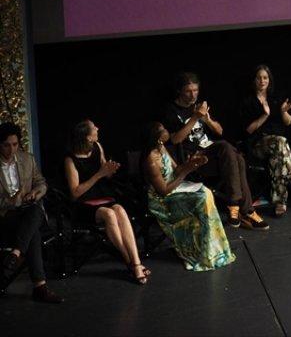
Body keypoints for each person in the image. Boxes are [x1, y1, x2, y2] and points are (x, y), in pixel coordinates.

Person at [165, 72, 268, 230]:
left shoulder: (199, 106)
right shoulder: (172, 110)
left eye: (195, 90)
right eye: (188, 91)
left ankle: (237, 208)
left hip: (213, 153)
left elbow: (219, 131)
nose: (193, 95)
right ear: (179, 91)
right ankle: (243, 208)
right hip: (193, 160)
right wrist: (194, 118)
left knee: (235, 156)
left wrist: (207, 119)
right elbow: (175, 140)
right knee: (231, 151)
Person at [142, 122, 236, 271]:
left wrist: (191, 163)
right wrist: (186, 172)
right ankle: (203, 251)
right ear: (157, 137)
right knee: (201, 198)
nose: (166, 131)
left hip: (174, 188)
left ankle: (214, 249)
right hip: (162, 201)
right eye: (163, 130)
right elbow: (163, 191)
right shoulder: (150, 161)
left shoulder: (162, 148)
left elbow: (176, 170)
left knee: (206, 192)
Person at [64, 120, 149, 284]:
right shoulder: (70, 159)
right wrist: (99, 174)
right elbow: (75, 193)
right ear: (88, 137)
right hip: (83, 203)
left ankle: (136, 261)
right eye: (94, 128)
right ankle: (131, 263)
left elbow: (105, 173)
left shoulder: (97, 147)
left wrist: (110, 170)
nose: (97, 128)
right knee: (109, 214)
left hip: (101, 195)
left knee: (120, 210)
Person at [0, 123, 63, 303]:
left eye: (15, 144)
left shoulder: (27, 159)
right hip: (5, 216)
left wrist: (35, 192)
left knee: (35, 208)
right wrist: (14, 200)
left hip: (27, 212)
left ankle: (16, 253)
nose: (11, 149)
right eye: (6, 145)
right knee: (32, 231)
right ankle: (40, 288)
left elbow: (41, 183)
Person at [241, 65, 291, 216]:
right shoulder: (247, 101)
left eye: (265, 78)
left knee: (278, 156)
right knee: (280, 142)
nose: (262, 81)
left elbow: (288, 122)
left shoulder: (275, 98)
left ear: (269, 79)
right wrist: (264, 116)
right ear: (254, 80)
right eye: (259, 78)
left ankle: (280, 202)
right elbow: (248, 130)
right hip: (258, 144)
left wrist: (283, 112)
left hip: (280, 145)